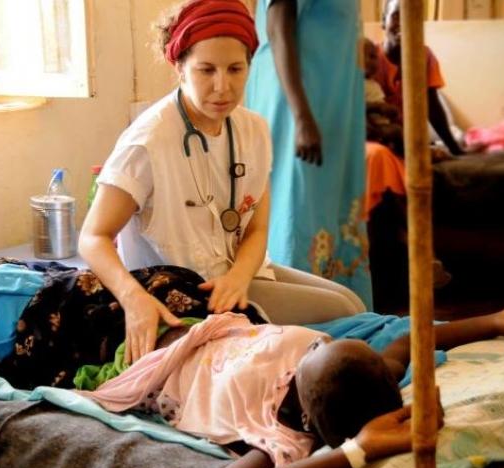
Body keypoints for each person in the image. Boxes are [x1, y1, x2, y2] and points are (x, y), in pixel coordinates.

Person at [79, 0, 365, 366]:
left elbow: (257, 228)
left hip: (233, 275)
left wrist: (241, 276)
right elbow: (92, 237)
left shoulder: (253, 130)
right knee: (345, 313)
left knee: (352, 303)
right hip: (186, 290)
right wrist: (133, 300)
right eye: (206, 70)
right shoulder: (148, 142)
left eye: (235, 69)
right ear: (179, 67)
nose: (222, 86)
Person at [80, 306, 504, 468]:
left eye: (309, 359)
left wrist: (356, 453)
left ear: (307, 419)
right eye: (320, 346)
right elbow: (409, 341)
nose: (310, 351)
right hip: (196, 324)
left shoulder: (281, 441)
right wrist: (495, 321)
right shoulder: (370, 374)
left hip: (143, 355)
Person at [244, 0, 373, 310]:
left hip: (331, 108)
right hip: (300, 106)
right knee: (298, 207)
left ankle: (346, 319)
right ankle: (300, 324)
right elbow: (278, 27)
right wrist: (301, 116)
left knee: (330, 208)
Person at [374, 0, 463, 157]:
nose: (404, 23)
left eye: (410, 17)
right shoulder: (369, 57)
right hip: (377, 136)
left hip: (408, 141)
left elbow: (432, 106)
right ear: (383, 21)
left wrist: (454, 149)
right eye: (396, 16)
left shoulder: (424, 56)